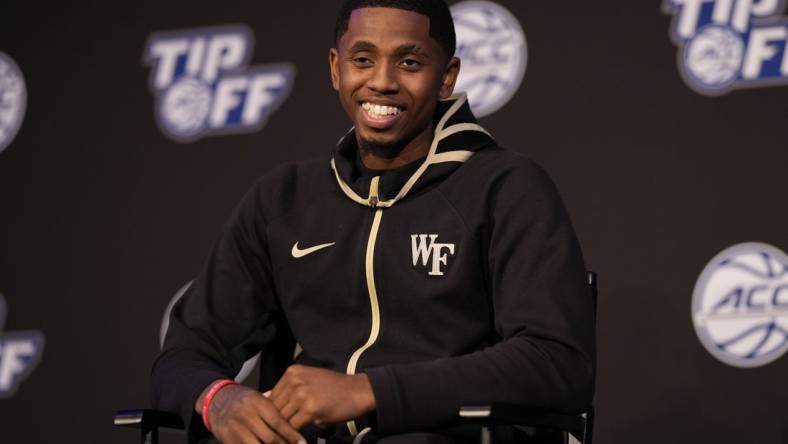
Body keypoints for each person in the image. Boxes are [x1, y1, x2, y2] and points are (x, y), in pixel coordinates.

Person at [151, 1, 595, 443]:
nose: (382, 82)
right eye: (362, 60)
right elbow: (186, 353)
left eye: (409, 62)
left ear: (447, 76)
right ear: (334, 68)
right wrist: (217, 400)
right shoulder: (282, 200)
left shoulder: (505, 187)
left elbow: (554, 360)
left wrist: (371, 391)